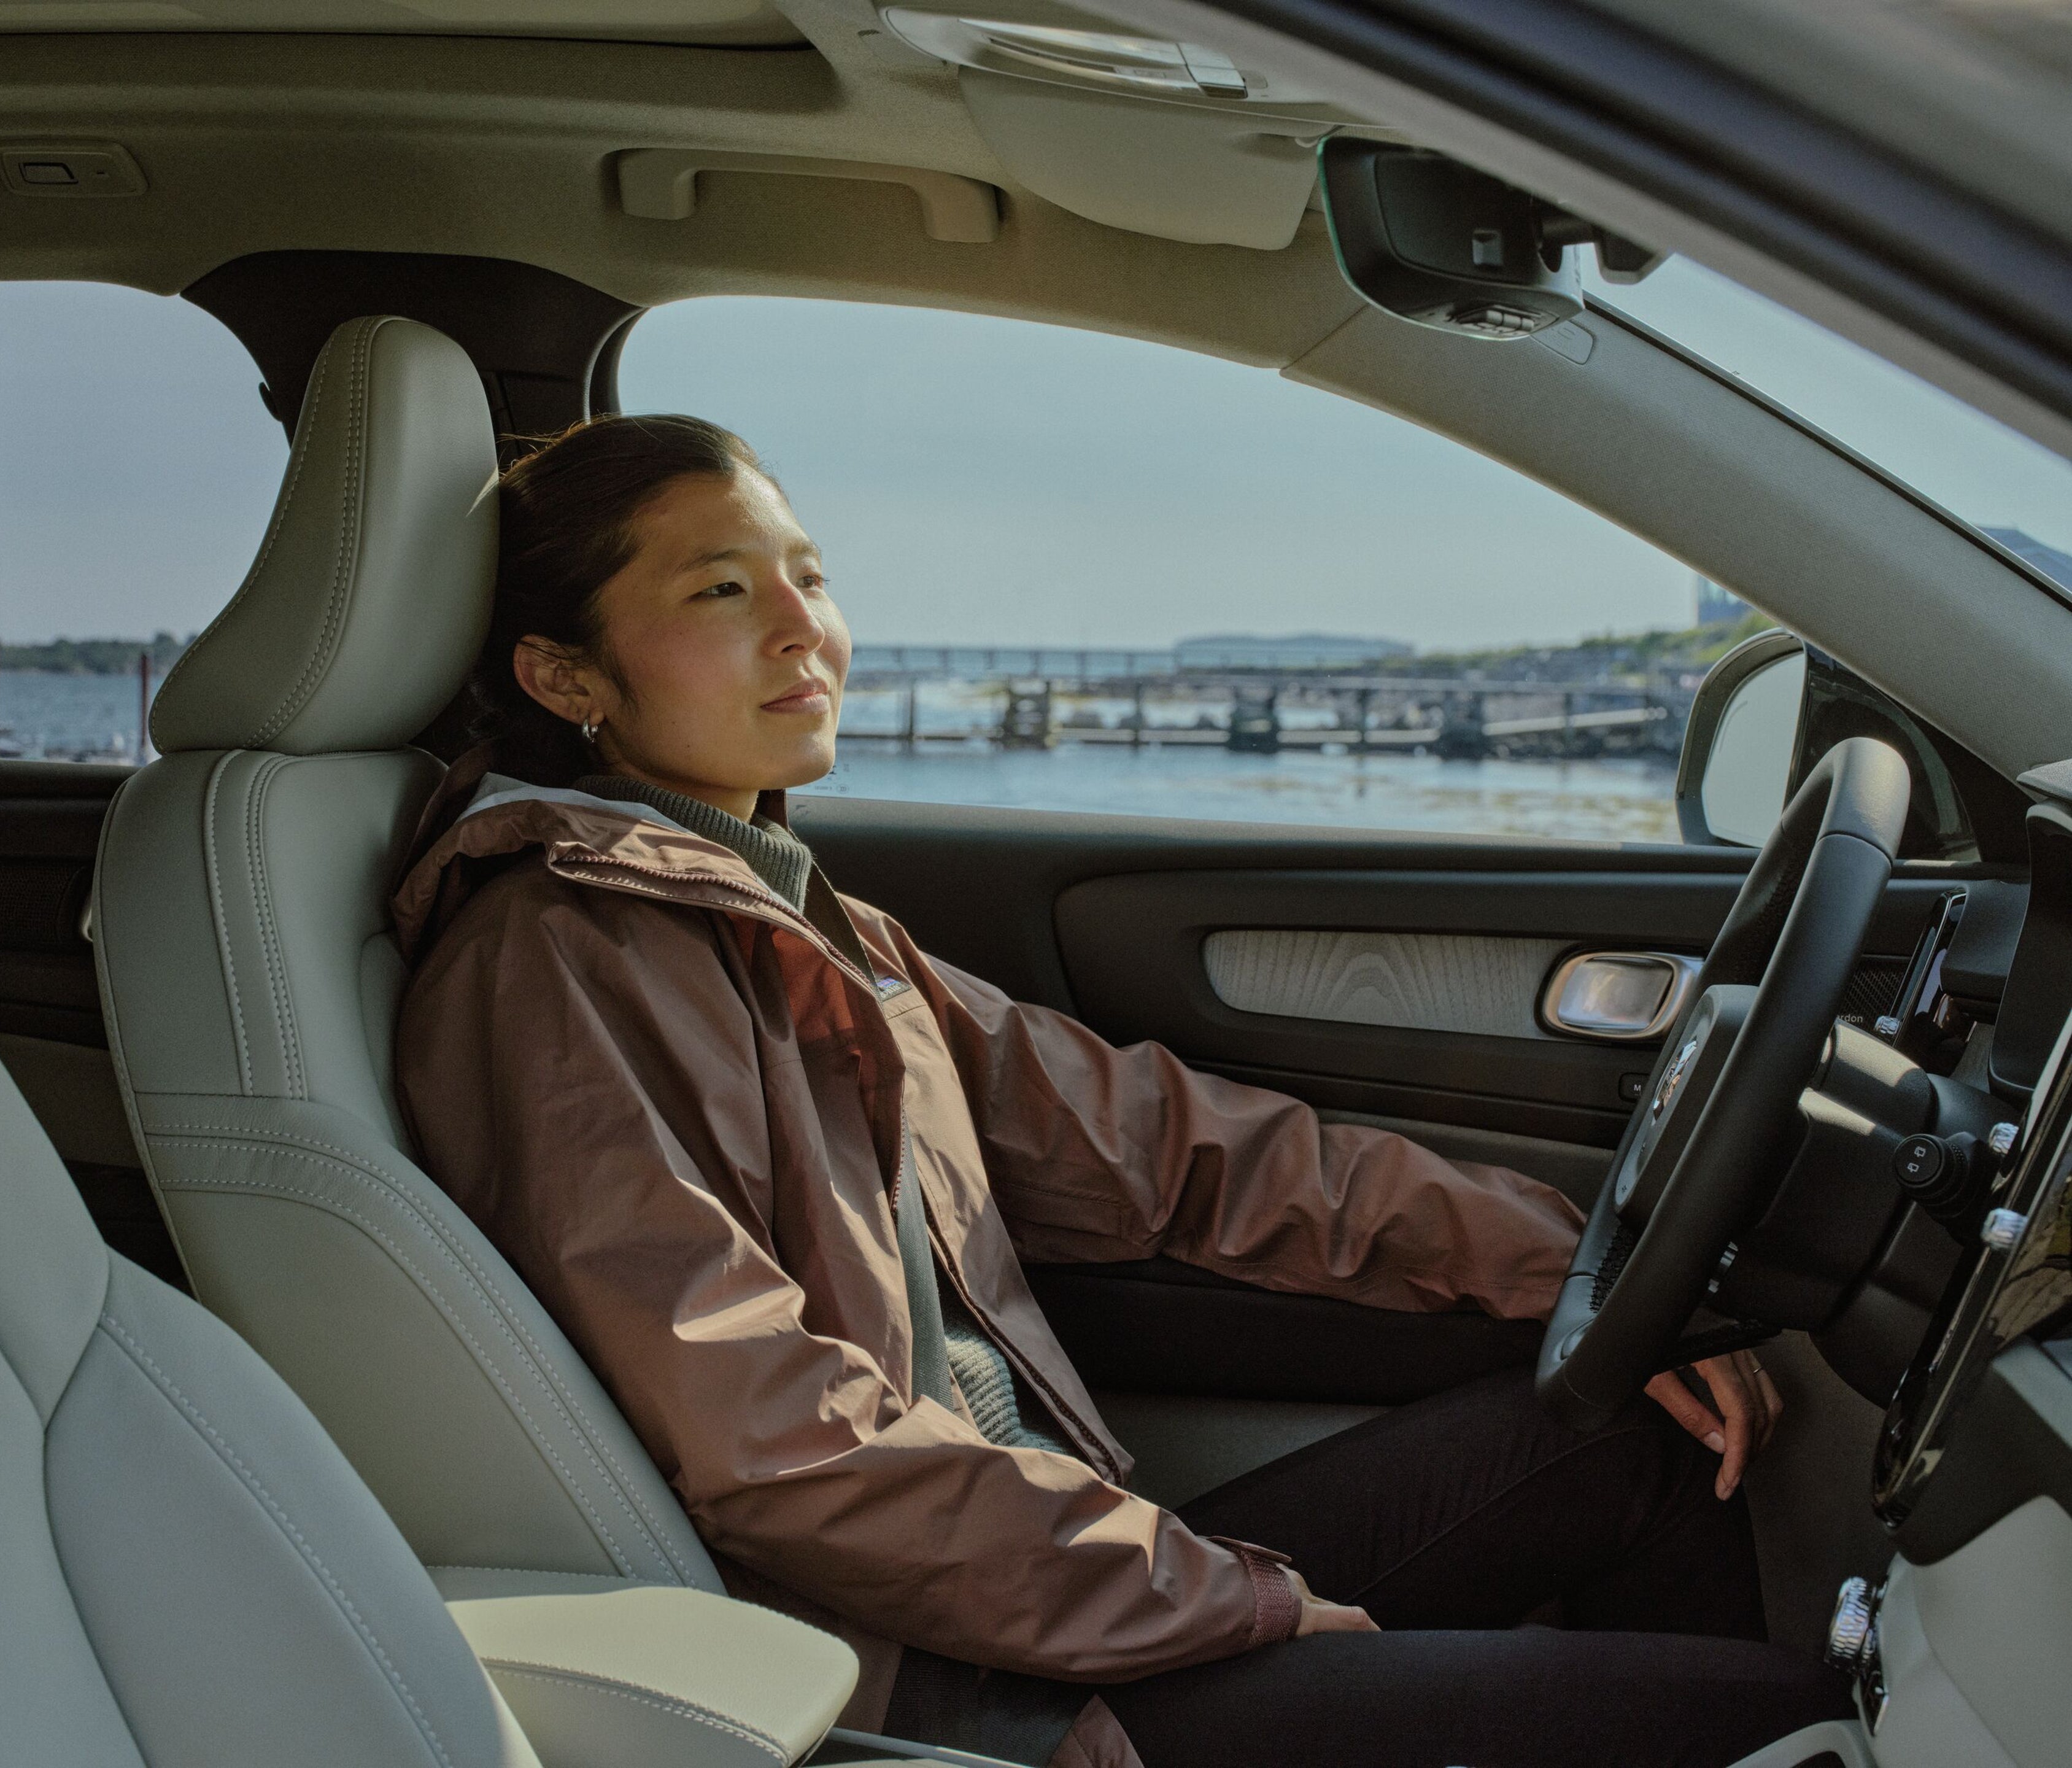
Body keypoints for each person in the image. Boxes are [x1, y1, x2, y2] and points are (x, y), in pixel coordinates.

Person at [392, 414, 1848, 1768]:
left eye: (811, 575)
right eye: (722, 593)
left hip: (1040, 1589)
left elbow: (1165, 1147)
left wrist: (1565, 1271)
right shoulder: (561, 957)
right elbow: (776, 1448)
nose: (804, 630)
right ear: (564, 676)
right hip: (953, 1688)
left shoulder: (781, 914)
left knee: (1639, 1429)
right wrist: (1227, 1605)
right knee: (1790, 1724)